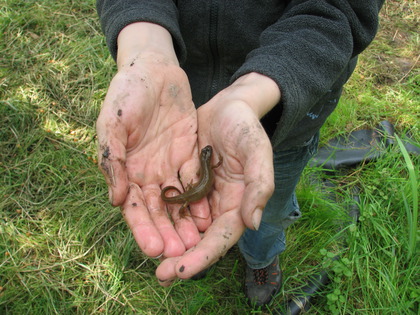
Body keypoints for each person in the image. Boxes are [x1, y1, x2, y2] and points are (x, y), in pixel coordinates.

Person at [95, 0, 384, 307]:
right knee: (202, 206)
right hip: (180, 104)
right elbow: (209, 162)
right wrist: (146, 50)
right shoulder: (209, 161)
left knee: (268, 211)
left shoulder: (210, 163)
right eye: (208, 157)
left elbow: (339, 11)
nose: (209, 157)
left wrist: (251, 94)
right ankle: (198, 243)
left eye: (208, 157)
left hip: (287, 120)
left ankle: (261, 259)